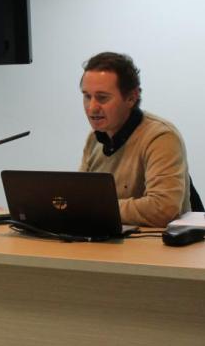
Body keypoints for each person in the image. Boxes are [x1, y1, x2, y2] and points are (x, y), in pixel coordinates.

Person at [79, 52, 190, 227]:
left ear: (131, 97)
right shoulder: (94, 139)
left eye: (102, 98)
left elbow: (163, 208)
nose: (92, 107)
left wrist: (97, 208)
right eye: (87, 96)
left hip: (152, 243)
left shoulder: (161, 137)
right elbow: (80, 199)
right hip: (108, 239)